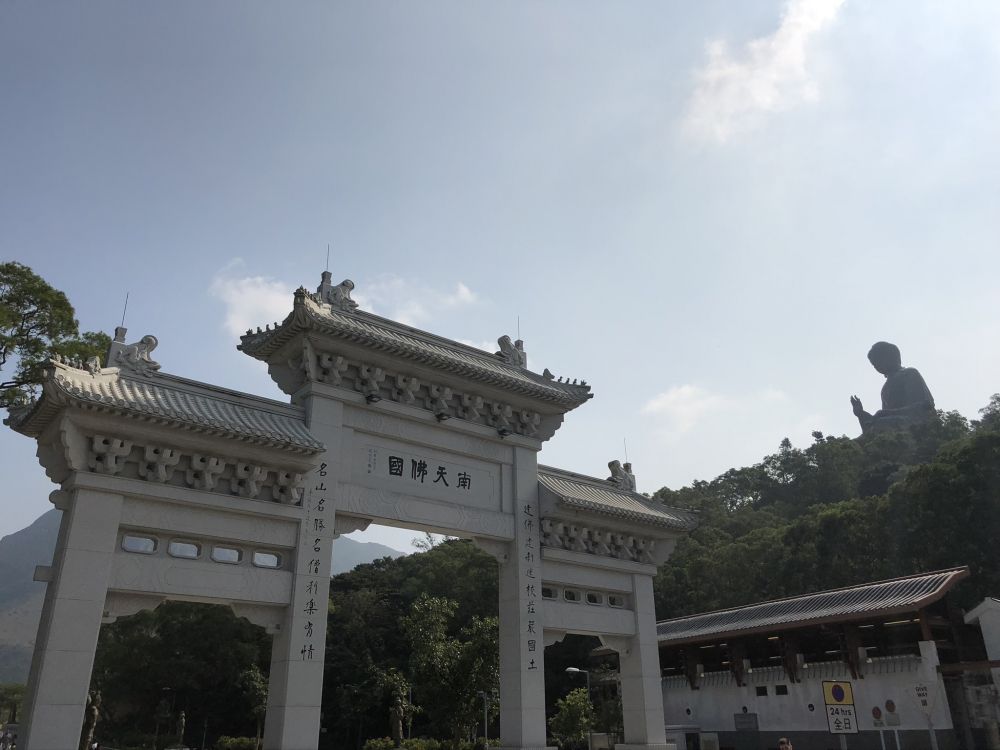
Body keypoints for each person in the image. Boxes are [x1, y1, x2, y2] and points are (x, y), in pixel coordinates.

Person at [850, 341, 935, 434]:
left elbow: (924, 406)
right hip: (892, 423)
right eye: (874, 364)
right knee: (873, 429)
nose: (877, 366)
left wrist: (887, 413)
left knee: (881, 424)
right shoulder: (885, 388)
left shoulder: (909, 373)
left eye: (879, 360)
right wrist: (861, 414)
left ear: (891, 356)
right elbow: (879, 419)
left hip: (915, 423)